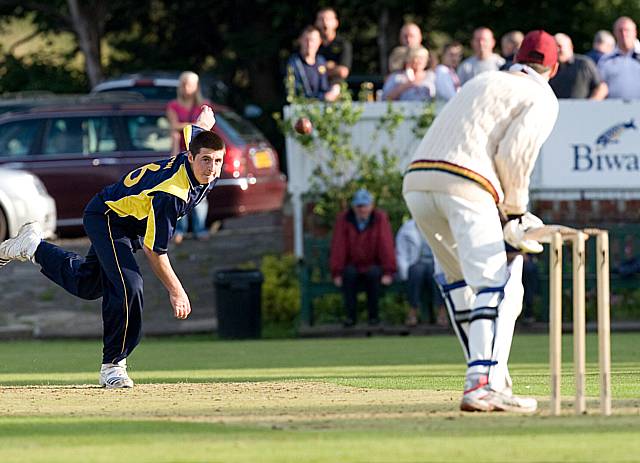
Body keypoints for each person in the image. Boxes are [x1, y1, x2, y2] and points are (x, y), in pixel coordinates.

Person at [0, 106, 222, 389]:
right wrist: (176, 290)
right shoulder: (172, 193)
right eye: (205, 160)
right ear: (189, 157)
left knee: (88, 285)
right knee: (130, 285)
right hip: (107, 216)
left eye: (217, 161)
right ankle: (113, 366)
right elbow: (155, 251)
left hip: (128, 222)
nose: (211, 168)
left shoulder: (200, 157)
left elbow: (197, 130)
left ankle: (33, 246)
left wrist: (205, 119)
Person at [403, 30, 559, 413]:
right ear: (553, 67)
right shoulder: (541, 95)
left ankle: (491, 376)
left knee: (460, 283)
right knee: (497, 281)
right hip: (467, 183)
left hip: (418, 183)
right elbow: (514, 154)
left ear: (516, 58)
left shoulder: (483, 79)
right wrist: (516, 211)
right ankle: (482, 383)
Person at [330, 188, 396, 327]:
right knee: (348, 275)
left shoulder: (380, 218)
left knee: (374, 275)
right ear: (354, 207)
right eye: (359, 206)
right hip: (352, 264)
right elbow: (339, 246)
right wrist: (336, 272)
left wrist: (388, 272)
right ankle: (350, 318)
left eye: (365, 206)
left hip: (373, 264)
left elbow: (385, 245)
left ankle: (374, 317)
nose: (362, 209)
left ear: (371, 206)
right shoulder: (344, 219)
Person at [166, 71, 212, 243]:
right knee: (179, 193)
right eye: (184, 84)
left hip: (201, 154)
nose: (187, 88)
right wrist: (197, 126)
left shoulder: (204, 106)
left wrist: (185, 127)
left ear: (196, 87)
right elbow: (173, 126)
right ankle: (180, 230)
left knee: (200, 192)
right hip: (181, 154)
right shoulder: (173, 106)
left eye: (190, 84)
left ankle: (200, 228)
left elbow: (207, 129)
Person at [396, 218, 442, 326]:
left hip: (436, 263)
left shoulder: (440, 226)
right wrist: (404, 271)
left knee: (437, 273)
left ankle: (441, 312)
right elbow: (401, 252)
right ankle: (413, 312)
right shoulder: (406, 229)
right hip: (416, 263)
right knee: (415, 272)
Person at [287, 26, 340, 101]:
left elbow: (324, 86)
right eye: (306, 40)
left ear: (319, 42)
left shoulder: (321, 61)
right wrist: (321, 98)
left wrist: (334, 89)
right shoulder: (293, 63)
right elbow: (295, 93)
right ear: (300, 40)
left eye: (312, 40)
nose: (309, 44)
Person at [549, 33, 607, 99]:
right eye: (554, 47)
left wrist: (590, 105)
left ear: (570, 47)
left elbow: (602, 88)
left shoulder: (584, 64)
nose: (557, 50)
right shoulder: (548, 67)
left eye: (559, 46)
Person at [598, 16, 640, 100]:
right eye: (620, 30)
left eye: (627, 30)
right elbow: (600, 87)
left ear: (635, 32)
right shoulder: (606, 60)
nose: (624, 34)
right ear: (615, 33)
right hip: (615, 110)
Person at [315, 7, 352, 85]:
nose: (324, 22)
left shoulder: (343, 44)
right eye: (321, 19)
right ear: (316, 23)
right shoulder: (312, 44)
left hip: (336, 87)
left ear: (336, 23)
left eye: (328, 19)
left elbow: (343, 71)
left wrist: (319, 69)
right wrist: (330, 67)